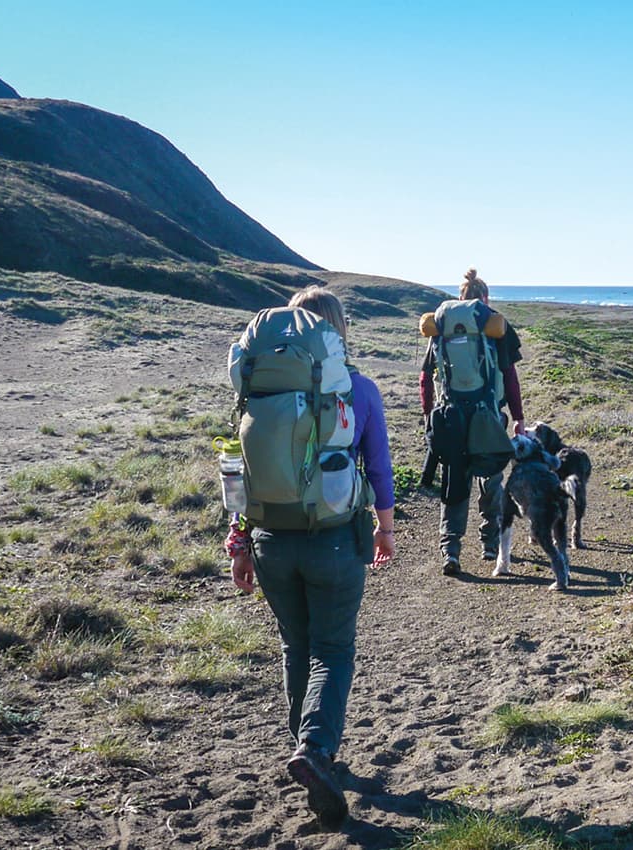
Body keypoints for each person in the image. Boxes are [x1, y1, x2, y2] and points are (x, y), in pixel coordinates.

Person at [225, 286, 395, 829]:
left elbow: (239, 470)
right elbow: (379, 466)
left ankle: (305, 746)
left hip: (272, 539)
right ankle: (315, 751)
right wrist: (385, 529)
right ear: (336, 332)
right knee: (333, 649)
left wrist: (240, 543)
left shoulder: (257, 392)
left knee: (295, 646)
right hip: (335, 538)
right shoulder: (360, 390)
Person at [420, 268, 524, 575]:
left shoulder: (441, 326)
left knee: (455, 482)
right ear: (484, 297)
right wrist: (518, 417)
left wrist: (428, 414)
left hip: (450, 415)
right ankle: (490, 543)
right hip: (487, 414)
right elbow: (510, 377)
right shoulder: (494, 325)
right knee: (491, 477)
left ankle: (450, 550)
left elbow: (426, 377)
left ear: (460, 297)